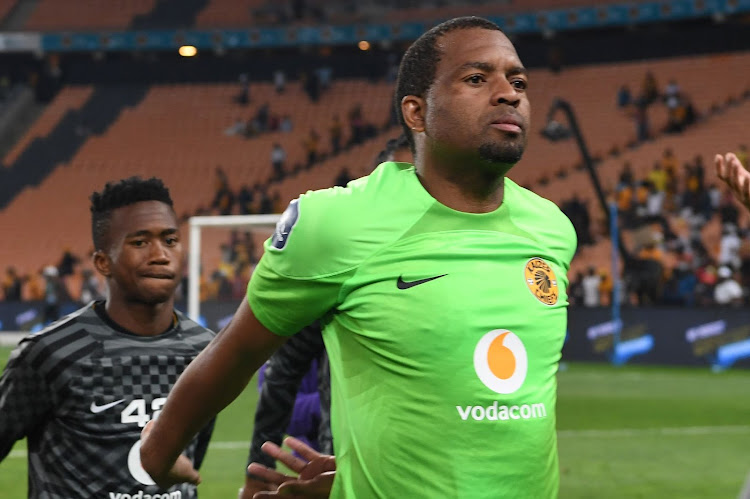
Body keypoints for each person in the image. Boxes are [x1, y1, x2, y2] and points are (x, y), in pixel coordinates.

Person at [142, 16, 576, 498]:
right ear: (417, 113)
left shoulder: (552, 229)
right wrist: (155, 455)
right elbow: (239, 350)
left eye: (518, 81)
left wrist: (356, 473)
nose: (508, 93)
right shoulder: (336, 224)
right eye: (477, 79)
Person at [0, 177, 215, 498]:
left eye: (170, 240)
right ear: (103, 262)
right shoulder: (52, 353)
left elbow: (192, 455)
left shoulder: (206, 350)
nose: (160, 254)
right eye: (140, 242)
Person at [240, 134, 414, 499]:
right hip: (344, 466)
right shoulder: (341, 269)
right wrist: (259, 466)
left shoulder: (462, 268)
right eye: (398, 180)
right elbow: (281, 374)